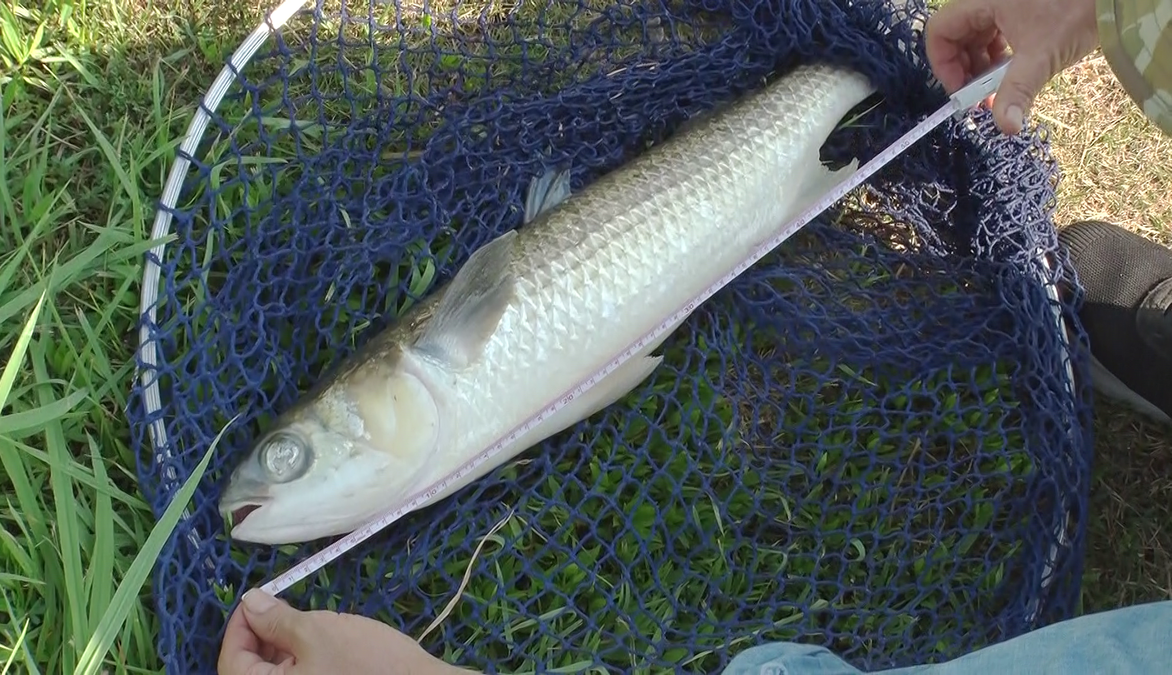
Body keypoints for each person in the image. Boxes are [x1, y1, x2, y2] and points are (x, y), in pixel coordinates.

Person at [217, 0, 1172, 671]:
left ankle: (846, 75)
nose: (277, 475)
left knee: (807, 117)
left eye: (291, 450)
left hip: (709, 191)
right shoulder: (417, 430)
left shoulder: (435, 354)